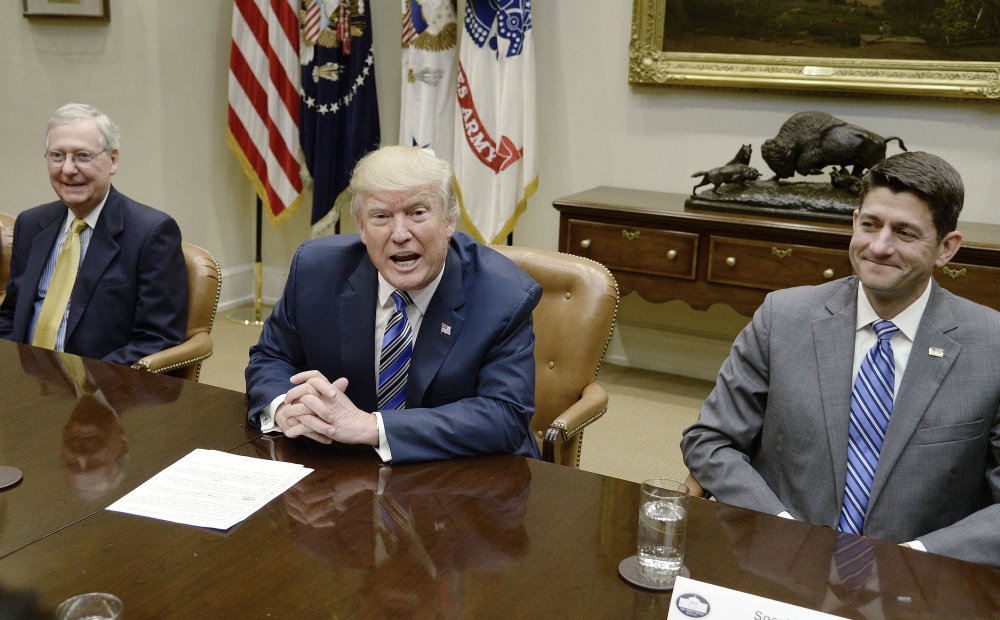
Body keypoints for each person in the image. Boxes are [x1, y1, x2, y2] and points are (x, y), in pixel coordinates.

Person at [681, 151, 1000, 567]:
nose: (879, 247)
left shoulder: (991, 346)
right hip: (778, 563)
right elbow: (711, 440)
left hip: (919, 585)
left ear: (946, 248)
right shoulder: (783, 318)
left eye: (905, 233)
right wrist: (779, 526)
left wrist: (914, 559)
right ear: (854, 224)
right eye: (870, 225)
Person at [246, 145, 542, 464]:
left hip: (469, 474)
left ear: (449, 221)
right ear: (360, 226)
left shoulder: (503, 296)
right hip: (345, 470)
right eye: (381, 216)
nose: (399, 234)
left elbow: (505, 415)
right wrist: (284, 408)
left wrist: (373, 427)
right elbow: (272, 356)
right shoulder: (315, 271)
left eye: (417, 213)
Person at [0, 103, 187, 365]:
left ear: (112, 160)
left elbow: (157, 337)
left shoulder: (151, 233)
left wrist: (90, 384)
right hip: (24, 382)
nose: (67, 169)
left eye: (82, 156)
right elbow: (10, 316)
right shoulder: (31, 224)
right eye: (57, 155)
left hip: (98, 390)